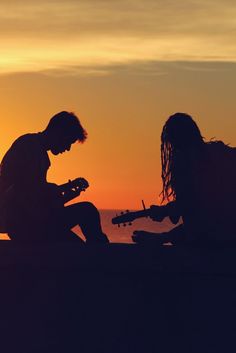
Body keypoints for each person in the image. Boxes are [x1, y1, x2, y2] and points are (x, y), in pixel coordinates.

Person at [0, 111, 109, 244]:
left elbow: (39, 198)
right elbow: (27, 193)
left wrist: (65, 193)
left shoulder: (36, 150)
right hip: (25, 226)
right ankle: (103, 255)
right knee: (87, 210)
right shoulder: (30, 146)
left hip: (29, 223)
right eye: (68, 141)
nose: (68, 148)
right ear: (58, 133)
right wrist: (59, 190)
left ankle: (99, 253)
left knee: (78, 246)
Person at [133, 112, 236, 246]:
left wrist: (162, 234)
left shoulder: (192, 162)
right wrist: (167, 214)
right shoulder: (222, 154)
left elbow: (202, 214)